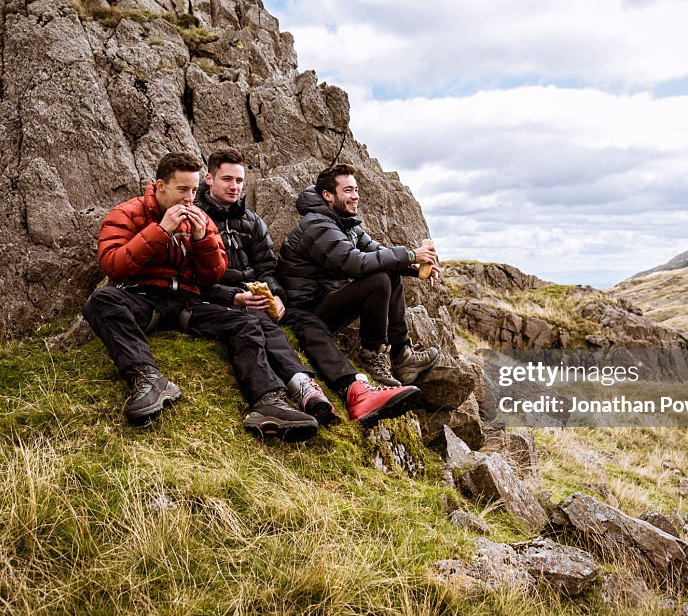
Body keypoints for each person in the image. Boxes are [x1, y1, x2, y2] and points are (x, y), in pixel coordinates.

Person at [82, 151, 320, 442]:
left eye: (194, 191)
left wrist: (201, 240)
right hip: (141, 297)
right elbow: (113, 265)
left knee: (246, 324)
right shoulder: (126, 214)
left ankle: (269, 401)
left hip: (186, 302)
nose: (189, 198)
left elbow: (212, 276)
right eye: (182, 189)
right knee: (102, 301)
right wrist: (160, 231)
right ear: (160, 186)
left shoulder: (201, 220)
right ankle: (147, 380)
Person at [195, 148, 421, 427]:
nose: (234, 186)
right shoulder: (197, 218)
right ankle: (331, 389)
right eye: (227, 179)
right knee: (295, 328)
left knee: (383, 276)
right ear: (208, 179)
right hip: (281, 304)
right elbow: (353, 263)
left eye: (239, 181)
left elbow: (267, 267)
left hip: (293, 301)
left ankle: (380, 365)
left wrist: (416, 266)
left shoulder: (253, 221)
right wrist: (237, 296)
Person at [277, 162, 441, 389]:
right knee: (377, 280)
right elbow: (354, 263)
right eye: (348, 191)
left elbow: (379, 253)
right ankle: (371, 353)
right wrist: (411, 254)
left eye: (356, 190)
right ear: (328, 195)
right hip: (308, 313)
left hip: (329, 300)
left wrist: (413, 266)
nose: (355, 197)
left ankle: (402, 354)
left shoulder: (346, 224)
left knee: (389, 270)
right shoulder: (317, 225)